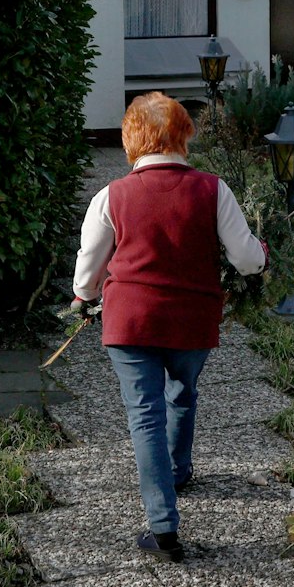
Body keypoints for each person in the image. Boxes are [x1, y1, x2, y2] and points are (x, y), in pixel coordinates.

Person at [70, 92, 267, 561]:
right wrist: (263, 253)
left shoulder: (110, 196)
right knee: (182, 392)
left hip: (131, 323)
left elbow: (86, 273)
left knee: (144, 415)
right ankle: (178, 470)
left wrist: (86, 298)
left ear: (131, 141)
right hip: (192, 321)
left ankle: (162, 526)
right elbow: (246, 260)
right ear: (183, 137)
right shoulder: (213, 190)